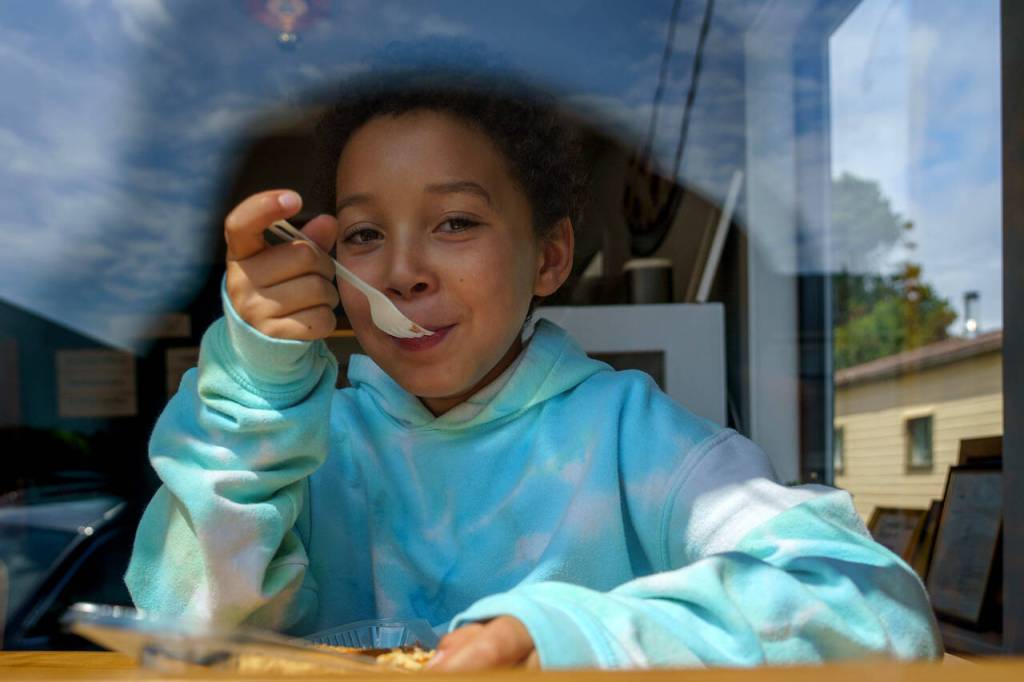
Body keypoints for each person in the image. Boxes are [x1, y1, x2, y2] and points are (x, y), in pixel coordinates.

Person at [124, 68, 941, 671]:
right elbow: (181, 628)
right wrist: (255, 387)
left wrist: (565, 636)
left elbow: (869, 605)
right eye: (365, 236)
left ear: (549, 257)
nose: (402, 272)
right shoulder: (308, 445)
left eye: (454, 221)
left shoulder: (634, 441)